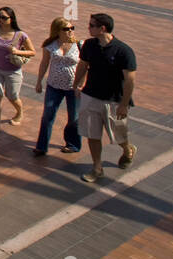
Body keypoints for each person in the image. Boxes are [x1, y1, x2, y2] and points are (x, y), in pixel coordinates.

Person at [72, 13, 137, 183]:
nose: (88, 28)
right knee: (93, 134)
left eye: (92, 25)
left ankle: (128, 149)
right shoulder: (89, 45)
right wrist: (77, 84)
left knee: (118, 135)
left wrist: (124, 104)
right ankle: (97, 168)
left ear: (103, 28)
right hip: (91, 96)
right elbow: (83, 65)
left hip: (114, 100)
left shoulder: (123, 51)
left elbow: (130, 80)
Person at [0, 6, 34, 137]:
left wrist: (17, 51)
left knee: (12, 96)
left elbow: (32, 52)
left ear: (11, 19)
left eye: (4, 17)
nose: (0, 20)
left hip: (13, 71)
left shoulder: (21, 35)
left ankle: (19, 111)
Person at [33, 18, 81, 156]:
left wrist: (81, 84)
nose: (70, 31)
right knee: (48, 115)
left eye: (72, 28)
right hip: (54, 86)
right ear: (57, 31)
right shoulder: (50, 45)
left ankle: (72, 144)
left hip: (73, 87)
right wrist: (39, 81)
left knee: (74, 117)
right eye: (66, 29)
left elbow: (85, 65)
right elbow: (44, 63)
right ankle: (42, 146)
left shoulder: (79, 45)